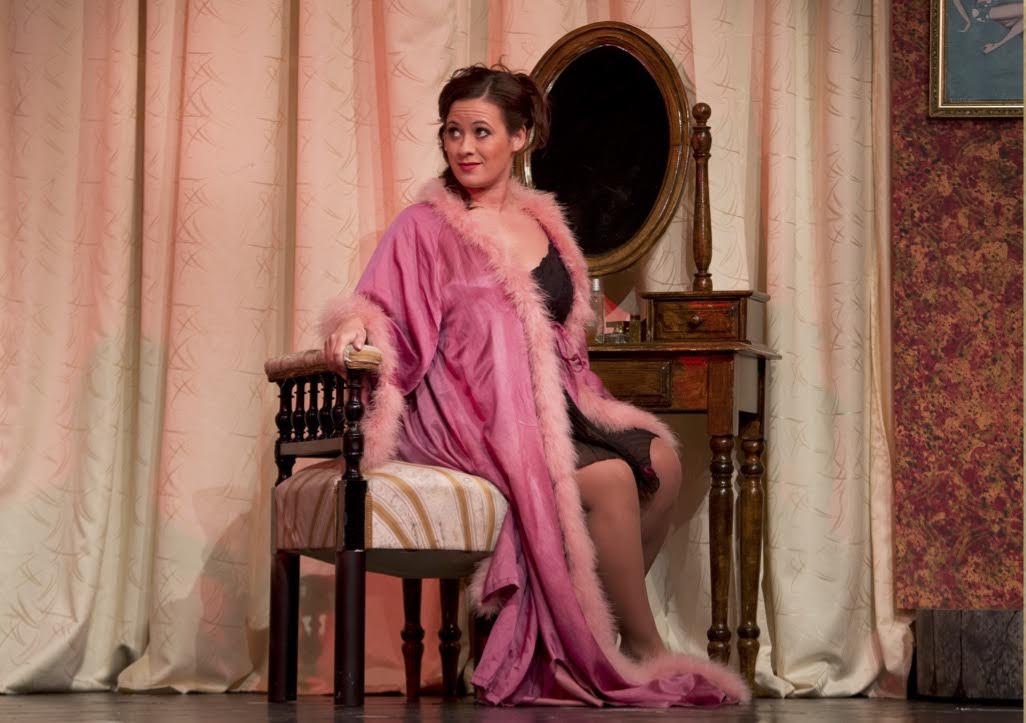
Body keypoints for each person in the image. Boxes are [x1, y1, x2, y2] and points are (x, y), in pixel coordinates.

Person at [321, 64, 747, 707]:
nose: (464, 148)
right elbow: (383, 307)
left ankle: (580, 625)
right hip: (471, 412)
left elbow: (562, 335)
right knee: (609, 480)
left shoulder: (546, 226)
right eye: (453, 132)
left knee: (662, 463)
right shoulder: (424, 226)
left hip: (554, 401)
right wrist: (356, 324)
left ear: (519, 137)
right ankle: (640, 650)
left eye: (481, 132)